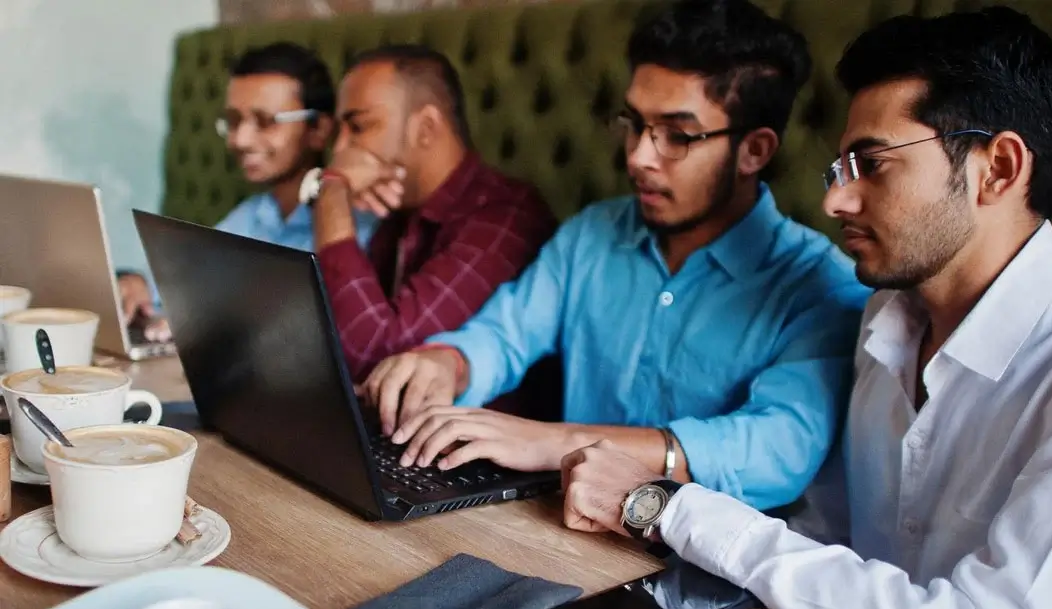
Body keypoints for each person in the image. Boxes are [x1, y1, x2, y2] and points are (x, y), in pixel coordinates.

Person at [559, 7, 1052, 609]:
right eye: (841, 168)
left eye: (873, 164)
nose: (836, 198)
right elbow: (826, 536)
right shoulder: (885, 318)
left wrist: (668, 507)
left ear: (997, 169)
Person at [359, 0, 871, 511]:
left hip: (706, 567)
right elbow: (504, 333)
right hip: (558, 528)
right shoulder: (593, 234)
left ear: (754, 150)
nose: (638, 157)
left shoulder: (821, 288)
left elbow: (774, 452)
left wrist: (555, 441)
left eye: (677, 135)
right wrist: (449, 362)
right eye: (635, 123)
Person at [307, 45, 558, 381]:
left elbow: (374, 354)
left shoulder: (506, 216)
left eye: (359, 127)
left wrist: (331, 194)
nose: (339, 150)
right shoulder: (398, 212)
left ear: (425, 127)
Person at [118, 42, 378, 336]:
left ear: (318, 129)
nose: (240, 139)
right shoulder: (254, 214)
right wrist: (136, 282)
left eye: (265, 121)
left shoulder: (360, 225)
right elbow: (184, 275)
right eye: (233, 120)